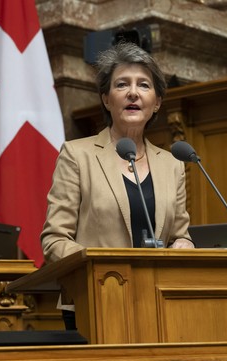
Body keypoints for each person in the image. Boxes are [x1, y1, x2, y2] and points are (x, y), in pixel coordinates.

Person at [41, 41, 194, 265]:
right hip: (98, 290)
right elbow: (55, 239)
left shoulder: (172, 165)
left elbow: (179, 235)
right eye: (122, 85)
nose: (133, 93)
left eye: (144, 85)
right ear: (106, 99)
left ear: (157, 103)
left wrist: (185, 244)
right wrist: (101, 268)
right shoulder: (77, 155)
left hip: (156, 293)